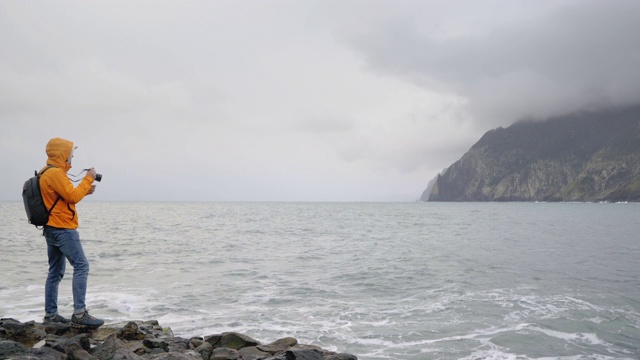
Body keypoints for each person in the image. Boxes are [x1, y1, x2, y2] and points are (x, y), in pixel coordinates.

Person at [39, 137, 104, 329]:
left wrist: (85, 190)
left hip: (51, 228)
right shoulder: (56, 174)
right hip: (63, 228)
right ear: (62, 155)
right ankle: (80, 313)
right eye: (70, 155)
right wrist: (88, 178)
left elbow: (65, 197)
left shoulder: (46, 172)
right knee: (81, 265)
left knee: (55, 272)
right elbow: (72, 196)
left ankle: (51, 315)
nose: (72, 158)